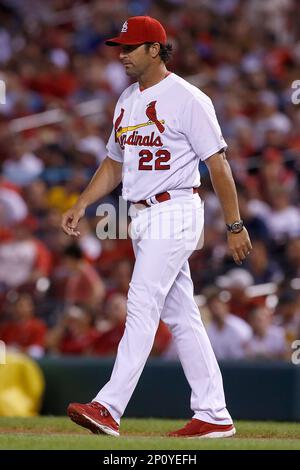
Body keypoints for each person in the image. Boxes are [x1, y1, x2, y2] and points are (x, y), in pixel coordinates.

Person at [62, 16, 252, 438]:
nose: (122, 54)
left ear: (155, 49)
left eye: (130, 47)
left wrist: (234, 224)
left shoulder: (188, 98)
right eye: (120, 47)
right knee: (182, 315)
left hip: (177, 207)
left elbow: (218, 163)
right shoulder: (128, 99)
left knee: (141, 302)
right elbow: (114, 163)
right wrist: (82, 202)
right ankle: (214, 412)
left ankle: (109, 406)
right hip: (140, 215)